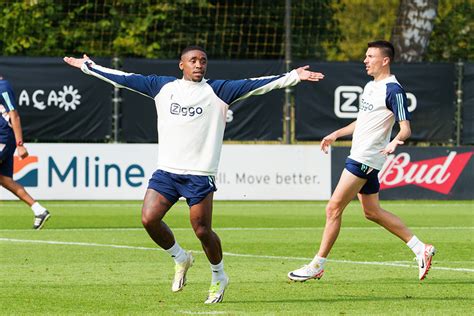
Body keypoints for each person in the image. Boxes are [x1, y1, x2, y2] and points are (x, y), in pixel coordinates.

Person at [63, 46, 324, 304]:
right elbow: (124, 78)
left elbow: (256, 84)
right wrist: (89, 67)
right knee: (148, 219)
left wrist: (293, 76)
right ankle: (180, 257)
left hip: (199, 175)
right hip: (167, 172)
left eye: (203, 61)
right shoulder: (162, 87)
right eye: (193, 60)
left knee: (202, 230)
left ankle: (219, 275)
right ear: (182, 65)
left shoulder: (219, 90)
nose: (199, 65)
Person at [288, 40, 435, 283]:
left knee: (333, 208)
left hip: (365, 158)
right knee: (372, 212)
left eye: (370, 56)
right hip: (362, 156)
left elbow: (406, 128)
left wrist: (395, 141)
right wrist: (336, 133)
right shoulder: (370, 87)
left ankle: (317, 265)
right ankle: (421, 248)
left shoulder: (393, 90)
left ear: (385, 60)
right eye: (365, 56)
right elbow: (362, 121)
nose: (365, 60)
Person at [0, 76, 51, 230]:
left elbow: (14, 115)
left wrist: (20, 144)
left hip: (3, 138)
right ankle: (39, 210)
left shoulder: (2, 87)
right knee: (4, 179)